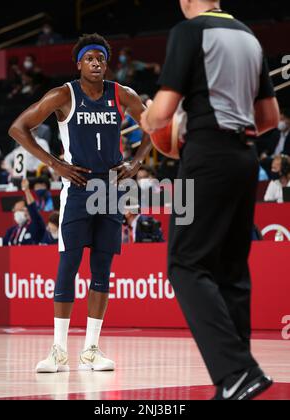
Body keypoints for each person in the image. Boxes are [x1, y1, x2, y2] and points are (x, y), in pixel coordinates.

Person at [141, 0, 280, 400]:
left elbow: (164, 111)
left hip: (205, 156)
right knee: (231, 272)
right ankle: (235, 383)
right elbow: (268, 117)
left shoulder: (188, 32)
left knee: (185, 263)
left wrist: (150, 119)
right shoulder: (248, 36)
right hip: (244, 158)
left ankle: (237, 370)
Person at [8, 33, 152, 374]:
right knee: (67, 267)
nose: (96, 63)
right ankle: (58, 350)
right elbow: (18, 127)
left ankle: (91, 350)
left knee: (102, 271)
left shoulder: (123, 94)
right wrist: (54, 164)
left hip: (111, 190)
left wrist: (138, 161)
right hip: (78, 190)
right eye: (90, 58)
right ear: (79, 63)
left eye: (101, 58)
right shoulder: (64, 94)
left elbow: (155, 126)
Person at [3, 179, 46, 246]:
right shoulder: (11, 231)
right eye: (15, 210)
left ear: (27, 211)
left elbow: (33, 210)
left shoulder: (35, 226)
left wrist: (27, 191)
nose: (16, 213)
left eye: (20, 210)